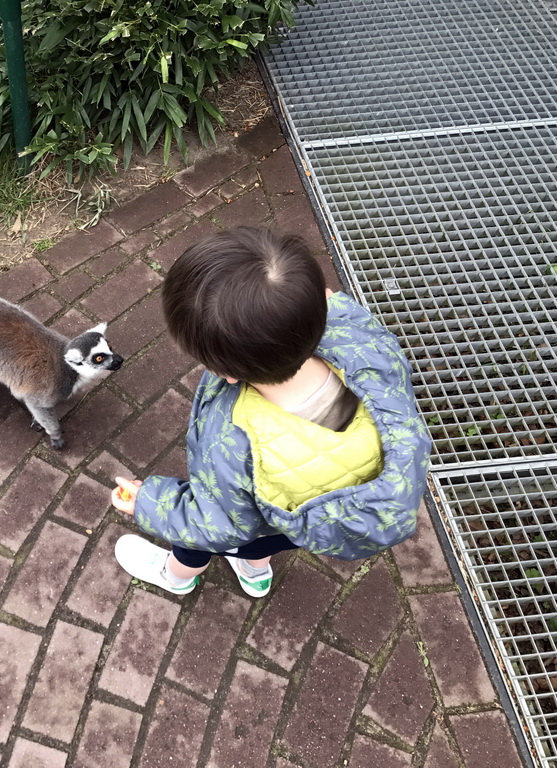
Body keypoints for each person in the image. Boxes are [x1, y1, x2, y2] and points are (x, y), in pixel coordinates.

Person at [111, 227, 431, 597]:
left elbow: (215, 521)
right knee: (263, 542)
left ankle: (177, 577)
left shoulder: (235, 439)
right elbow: (350, 318)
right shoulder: (368, 347)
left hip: (239, 515)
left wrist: (148, 502)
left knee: (197, 543)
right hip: (301, 520)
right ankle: (253, 570)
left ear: (225, 373)